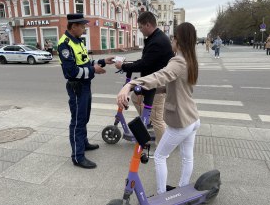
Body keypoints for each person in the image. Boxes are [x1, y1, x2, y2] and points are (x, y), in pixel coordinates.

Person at [117, 22, 200, 194]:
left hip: (181, 121)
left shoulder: (178, 61)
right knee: (187, 157)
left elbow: (161, 75)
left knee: (160, 156)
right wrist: (151, 88)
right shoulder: (191, 60)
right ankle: (183, 188)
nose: (171, 42)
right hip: (193, 118)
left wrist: (131, 84)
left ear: (178, 40)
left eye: (173, 38)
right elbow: (175, 85)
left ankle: (162, 195)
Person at [58, 13, 114, 169]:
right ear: (74, 26)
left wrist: (102, 61)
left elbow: (85, 62)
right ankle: (78, 156)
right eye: (82, 26)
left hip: (85, 85)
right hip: (76, 87)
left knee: (85, 116)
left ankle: (83, 143)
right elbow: (71, 72)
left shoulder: (78, 42)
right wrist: (93, 70)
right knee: (77, 121)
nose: (84, 28)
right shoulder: (65, 44)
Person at [114, 11, 174, 146]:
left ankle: (163, 149)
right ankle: (147, 120)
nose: (140, 30)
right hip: (150, 83)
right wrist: (127, 64)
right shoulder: (155, 38)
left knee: (157, 118)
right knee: (135, 98)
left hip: (157, 86)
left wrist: (124, 66)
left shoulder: (157, 41)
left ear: (148, 24)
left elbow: (145, 64)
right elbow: (146, 60)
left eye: (140, 27)